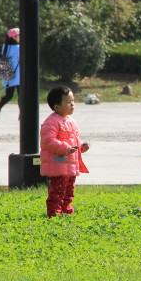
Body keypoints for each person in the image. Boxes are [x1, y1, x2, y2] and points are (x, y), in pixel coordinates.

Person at [40, 86, 89, 217]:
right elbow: (48, 141)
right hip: (58, 164)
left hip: (70, 165)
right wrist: (65, 148)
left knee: (69, 191)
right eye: (68, 102)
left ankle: (66, 210)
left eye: (73, 101)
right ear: (56, 107)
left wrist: (81, 146)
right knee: (57, 191)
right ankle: (54, 212)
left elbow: (74, 140)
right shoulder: (51, 122)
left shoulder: (71, 121)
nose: (72, 104)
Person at [0, 27, 20, 121]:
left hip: (8, 75)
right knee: (21, 96)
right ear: (13, 37)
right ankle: (22, 113)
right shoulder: (18, 48)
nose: (20, 37)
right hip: (18, 75)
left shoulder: (5, 46)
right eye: (18, 35)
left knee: (9, 95)